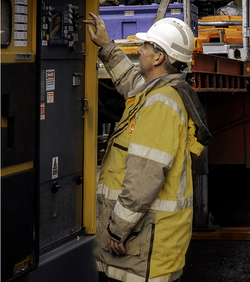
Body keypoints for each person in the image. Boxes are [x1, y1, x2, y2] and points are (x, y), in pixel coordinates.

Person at [82, 13, 211, 282]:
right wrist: (106, 46)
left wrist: (117, 229)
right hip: (148, 247)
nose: (139, 50)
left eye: (147, 46)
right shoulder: (162, 91)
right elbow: (131, 82)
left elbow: (144, 178)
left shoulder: (160, 106)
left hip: (145, 250)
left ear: (159, 58)